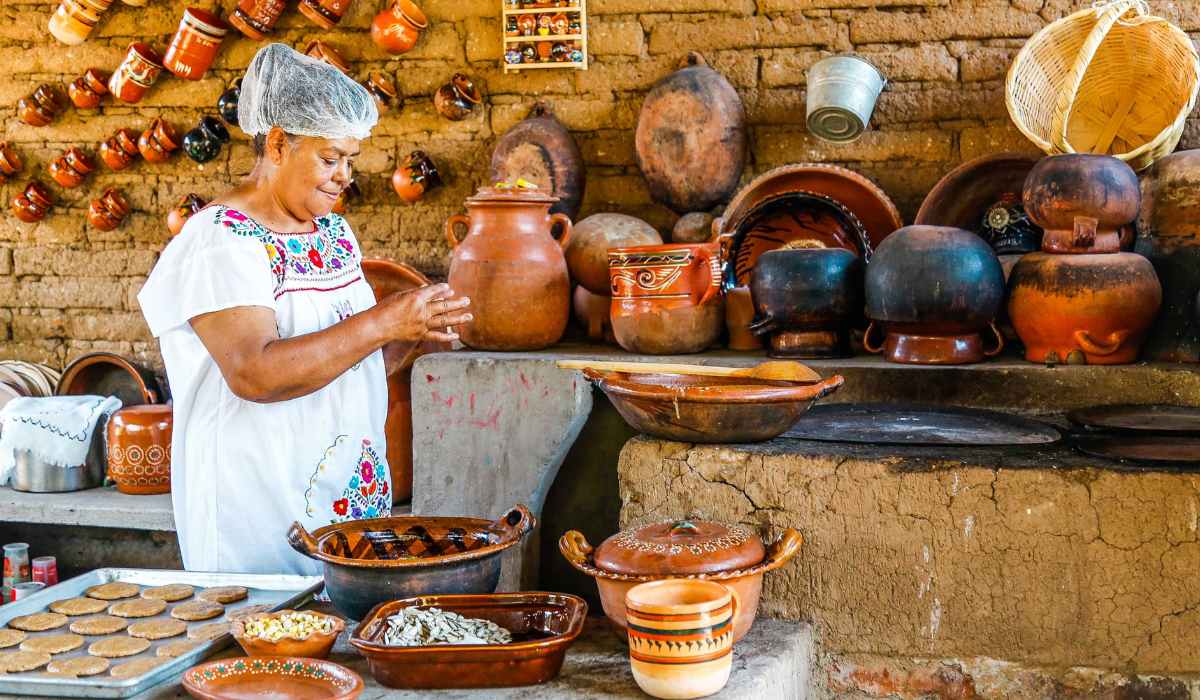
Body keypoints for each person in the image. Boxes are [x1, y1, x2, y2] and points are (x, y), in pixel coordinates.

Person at [137, 44, 471, 575]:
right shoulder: (221, 241)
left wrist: (413, 331)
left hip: (339, 494)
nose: (344, 176)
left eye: (350, 161)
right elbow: (255, 373)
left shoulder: (333, 233)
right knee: (273, 643)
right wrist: (384, 319)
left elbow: (344, 359)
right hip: (257, 504)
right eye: (329, 158)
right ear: (277, 143)